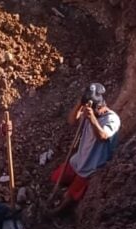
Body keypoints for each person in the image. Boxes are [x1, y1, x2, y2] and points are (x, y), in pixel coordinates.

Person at [50, 83, 121, 216]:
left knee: (67, 197)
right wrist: (79, 104)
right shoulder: (89, 113)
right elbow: (72, 121)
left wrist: (92, 119)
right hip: (79, 160)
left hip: (92, 166)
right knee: (56, 178)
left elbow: (103, 136)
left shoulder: (112, 119)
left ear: (100, 107)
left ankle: (56, 212)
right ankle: (57, 192)